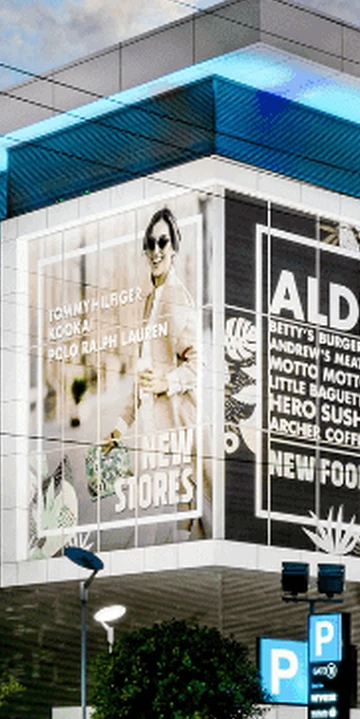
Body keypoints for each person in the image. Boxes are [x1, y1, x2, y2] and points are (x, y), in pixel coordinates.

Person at [104, 205, 206, 537]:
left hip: (176, 437)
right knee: (166, 536)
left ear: (175, 248)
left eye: (163, 242)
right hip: (155, 441)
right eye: (151, 243)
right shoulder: (151, 300)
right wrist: (118, 428)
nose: (156, 250)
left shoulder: (174, 296)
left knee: (176, 534)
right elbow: (142, 378)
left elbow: (198, 363)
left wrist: (166, 382)